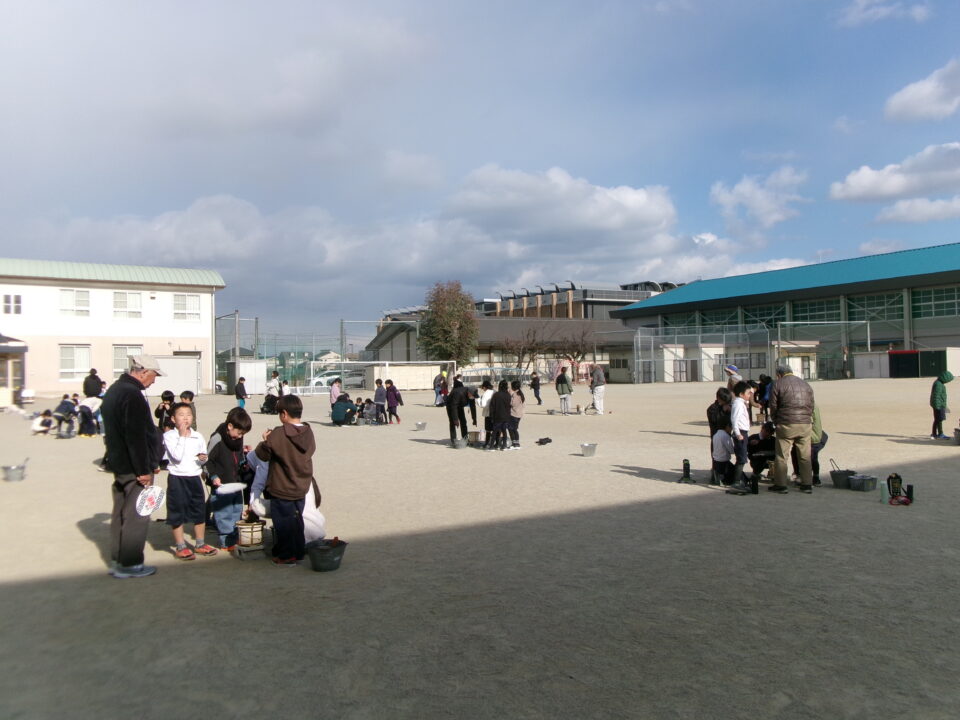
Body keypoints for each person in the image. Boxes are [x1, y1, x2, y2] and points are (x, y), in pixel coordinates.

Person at [101, 355, 165, 579]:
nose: (154, 381)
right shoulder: (132, 394)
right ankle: (130, 564)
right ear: (143, 371)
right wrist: (143, 469)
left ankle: (118, 560)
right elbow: (135, 436)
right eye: (154, 375)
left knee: (121, 512)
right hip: (134, 467)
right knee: (137, 515)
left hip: (120, 464)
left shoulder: (115, 390)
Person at [254, 394, 317, 566]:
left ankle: (286, 556)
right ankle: (298, 552)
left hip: (282, 487)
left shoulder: (279, 433)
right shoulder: (308, 432)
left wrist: (265, 440)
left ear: (284, 414)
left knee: (283, 523)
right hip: (301, 485)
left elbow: (262, 454)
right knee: (297, 520)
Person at [163, 403, 217, 560]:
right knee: (177, 511)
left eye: (189, 414)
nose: (185, 418)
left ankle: (200, 544)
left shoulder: (197, 436)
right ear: (173, 419)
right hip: (177, 478)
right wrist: (181, 435)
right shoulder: (169, 436)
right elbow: (176, 457)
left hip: (194, 477)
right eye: (181, 415)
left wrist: (203, 459)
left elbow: (202, 458)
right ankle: (180, 546)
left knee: (199, 510)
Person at [205, 407, 253, 550]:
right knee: (224, 513)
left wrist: (243, 460)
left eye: (243, 434)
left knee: (236, 510)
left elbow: (238, 456)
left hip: (236, 481)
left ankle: (234, 537)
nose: (240, 436)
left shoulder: (238, 438)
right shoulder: (217, 438)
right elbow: (207, 461)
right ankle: (225, 541)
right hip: (221, 484)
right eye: (239, 433)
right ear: (230, 426)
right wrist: (213, 476)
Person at [768, 364, 815, 494]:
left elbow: (773, 406)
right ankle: (807, 484)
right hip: (805, 423)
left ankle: (781, 485)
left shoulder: (778, 384)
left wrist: (776, 421)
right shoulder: (805, 384)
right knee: (805, 456)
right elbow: (812, 405)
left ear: (779, 374)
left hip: (786, 423)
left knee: (782, 456)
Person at [793, 406, 827, 486]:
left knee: (798, 453)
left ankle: (802, 476)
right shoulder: (813, 405)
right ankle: (815, 477)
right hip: (816, 436)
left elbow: (804, 424)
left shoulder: (806, 406)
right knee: (812, 457)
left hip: (812, 437)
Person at [729, 381, 753, 488]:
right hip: (741, 432)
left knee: (742, 457)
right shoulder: (738, 404)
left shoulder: (741, 402)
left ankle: (738, 479)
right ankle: (736, 481)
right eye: (748, 393)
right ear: (741, 394)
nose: (750, 395)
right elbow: (734, 420)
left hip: (743, 432)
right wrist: (738, 433)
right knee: (741, 458)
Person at [446, 380, 473, 447]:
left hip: (459, 405)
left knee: (463, 421)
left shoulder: (471, 393)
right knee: (453, 422)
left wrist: (474, 418)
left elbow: (473, 407)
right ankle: (454, 441)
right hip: (450, 406)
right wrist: (456, 419)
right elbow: (454, 406)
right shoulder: (458, 393)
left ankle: (465, 439)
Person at [488, 380, 512, 451]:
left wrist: (491, 416)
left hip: (497, 416)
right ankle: (504, 446)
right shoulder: (508, 395)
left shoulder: (496, 395)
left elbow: (492, 406)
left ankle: (492, 446)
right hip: (506, 416)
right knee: (504, 431)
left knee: (495, 432)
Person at [929, 370, 953, 439]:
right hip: (938, 405)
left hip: (939, 405)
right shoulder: (938, 384)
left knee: (939, 419)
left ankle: (938, 433)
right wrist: (938, 406)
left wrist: (944, 406)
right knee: (938, 419)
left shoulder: (939, 383)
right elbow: (936, 396)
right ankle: (936, 434)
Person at [711, 419, 735, 486]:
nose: (731, 429)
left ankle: (718, 475)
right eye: (731, 427)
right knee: (737, 474)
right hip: (724, 461)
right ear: (727, 426)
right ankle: (721, 478)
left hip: (716, 460)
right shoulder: (725, 436)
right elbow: (731, 450)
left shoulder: (715, 435)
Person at [508, 379, 525, 449]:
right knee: (514, 429)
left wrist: (510, 395)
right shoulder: (520, 393)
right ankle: (516, 443)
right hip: (518, 414)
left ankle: (515, 443)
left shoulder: (516, 394)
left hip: (514, 414)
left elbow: (512, 404)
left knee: (512, 429)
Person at [478, 380, 494, 448]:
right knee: (495, 429)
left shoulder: (486, 393)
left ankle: (487, 443)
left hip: (488, 413)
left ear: (484, 387)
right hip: (495, 413)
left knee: (488, 430)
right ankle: (495, 442)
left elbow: (483, 405)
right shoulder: (494, 391)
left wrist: (478, 400)